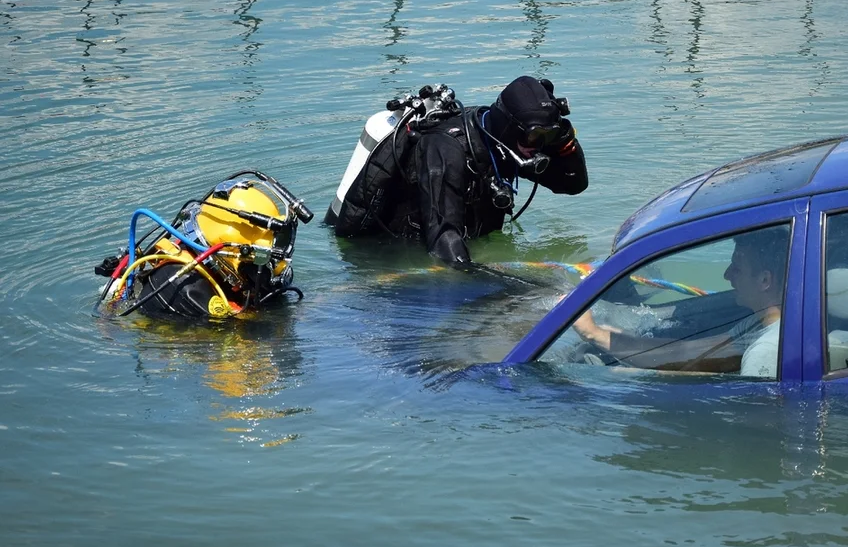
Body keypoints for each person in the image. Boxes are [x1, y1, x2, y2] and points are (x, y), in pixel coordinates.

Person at [333, 76, 589, 266]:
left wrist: (565, 143)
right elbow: (444, 243)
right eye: (535, 135)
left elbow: (572, 184)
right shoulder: (446, 149)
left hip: (471, 242)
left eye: (548, 135)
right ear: (509, 128)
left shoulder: (509, 145)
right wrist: (507, 288)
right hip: (397, 254)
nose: (539, 145)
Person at [571, 226, 788, 377]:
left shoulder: (766, 351)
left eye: (737, 268)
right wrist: (606, 336)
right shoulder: (762, 322)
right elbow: (692, 352)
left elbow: (750, 418)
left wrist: (642, 380)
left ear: (764, 280)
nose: (727, 275)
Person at [94, 171, 311, 319]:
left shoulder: (230, 271)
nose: (278, 262)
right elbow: (242, 338)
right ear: (239, 251)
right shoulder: (183, 287)